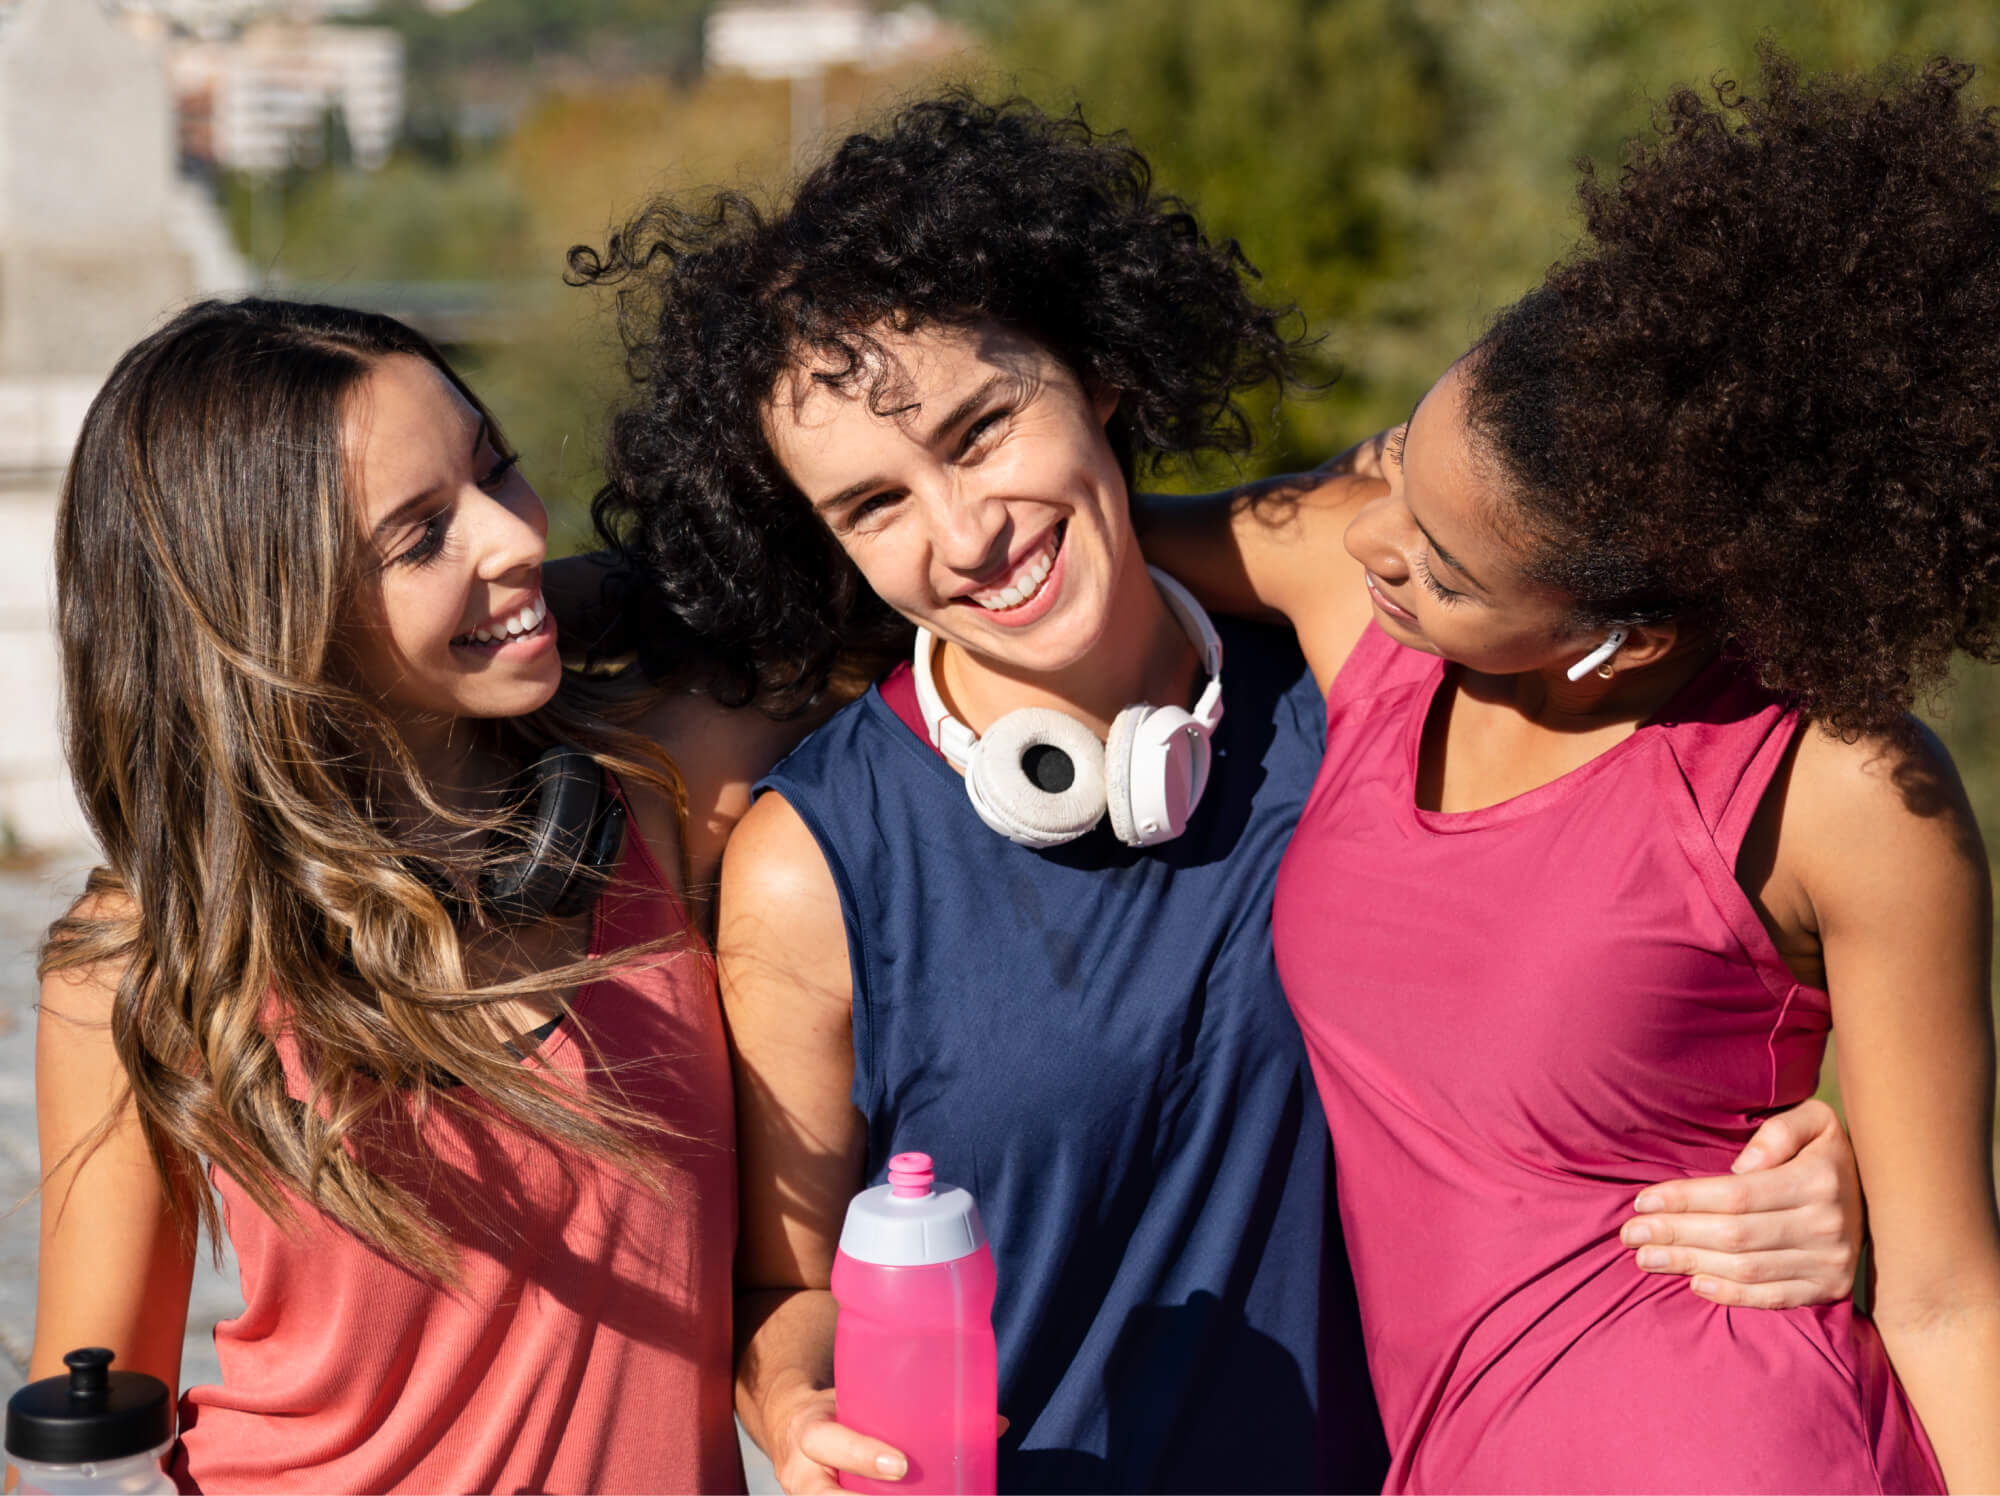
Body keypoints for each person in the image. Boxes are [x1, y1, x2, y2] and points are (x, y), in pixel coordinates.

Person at [573, 93, 1869, 1494]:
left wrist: (1819, 1177)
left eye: (982, 430)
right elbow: (786, 1287)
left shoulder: (1365, 691)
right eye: (873, 506)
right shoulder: (806, 865)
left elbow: (1659, 950)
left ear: (1101, 375)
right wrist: (798, 1411)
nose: (964, 533)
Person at [1142, 49, 2000, 1493]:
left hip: (1730, 1450)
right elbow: (1046, 554)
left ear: (1625, 637)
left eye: (1446, 563)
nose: (1370, 542)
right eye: (1396, 460)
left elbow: (1945, 1294)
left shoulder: (1843, 789)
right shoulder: (1379, 609)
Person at [29, 298, 799, 1493]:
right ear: (276, 621)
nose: (512, 534)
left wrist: (592, 592)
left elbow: (904, 574)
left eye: (496, 465)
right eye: (422, 533)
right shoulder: (139, 964)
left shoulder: (661, 789)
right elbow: (84, 1424)